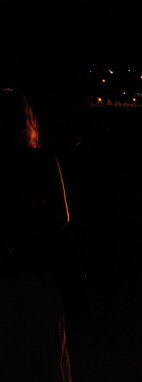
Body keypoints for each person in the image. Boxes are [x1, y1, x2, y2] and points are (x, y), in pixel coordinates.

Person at [0, 88, 72, 381]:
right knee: (45, 352)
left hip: (5, 273)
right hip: (38, 269)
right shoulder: (42, 161)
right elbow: (61, 217)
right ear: (25, 121)